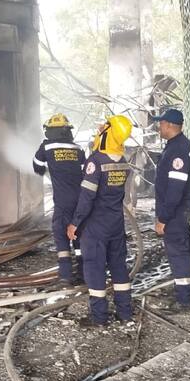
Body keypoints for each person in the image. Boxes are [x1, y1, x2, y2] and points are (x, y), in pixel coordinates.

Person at [67, 115, 134, 327]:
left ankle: (99, 317)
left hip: (96, 226)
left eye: (105, 126)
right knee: (118, 266)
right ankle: (125, 312)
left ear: (110, 132)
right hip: (116, 224)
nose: (100, 128)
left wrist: (75, 223)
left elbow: (87, 197)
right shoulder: (122, 161)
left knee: (94, 268)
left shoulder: (96, 162)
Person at [152, 108, 190, 312]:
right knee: (183, 249)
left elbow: (175, 189)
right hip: (180, 209)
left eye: (161, 123)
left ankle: (184, 301)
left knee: (178, 253)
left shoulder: (178, 149)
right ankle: (184, 291)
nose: (159, 127)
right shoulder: (177, 145)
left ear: (170, 125)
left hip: (175, 211)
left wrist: (163, 218)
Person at [33, 113, 86, 286]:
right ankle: (84, 274)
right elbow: (85, 173)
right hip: (81, 201)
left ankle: (66, 276)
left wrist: (47, 171)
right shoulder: (78, 149)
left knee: (61, 234)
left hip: (63, 202)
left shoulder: (47, 147)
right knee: (79, 236)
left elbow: (37, 165)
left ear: (50, 131)